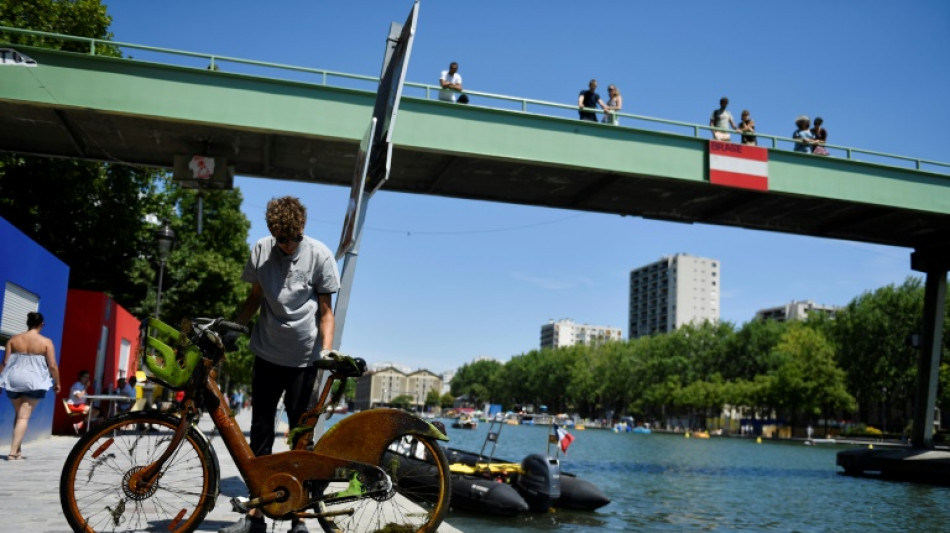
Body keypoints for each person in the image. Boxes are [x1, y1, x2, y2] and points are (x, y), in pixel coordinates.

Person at [220, 196, 340, 533]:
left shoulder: (320, 255)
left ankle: (299, 517)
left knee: (300, 438)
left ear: (302, 229)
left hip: (304, 360)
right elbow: (255, 297)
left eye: (294, 238)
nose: (288, 246)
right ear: (272, 232)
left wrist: (327, 351)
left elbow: (326, 312)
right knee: (260, 434)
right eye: (281, 239)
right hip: (267, 354)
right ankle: (256, 515)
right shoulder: (261, 250)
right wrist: (234, 327)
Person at [0, 312, 60, 460]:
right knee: (23, 417)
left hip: (13, 380)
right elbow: (52, 365)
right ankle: (13, 453)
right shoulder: (46, 342)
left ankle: (17, 451)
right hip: (34, 381)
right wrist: (57, 382)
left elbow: (5, 363)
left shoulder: (13, 340)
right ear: (42, 324)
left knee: (18, 415)